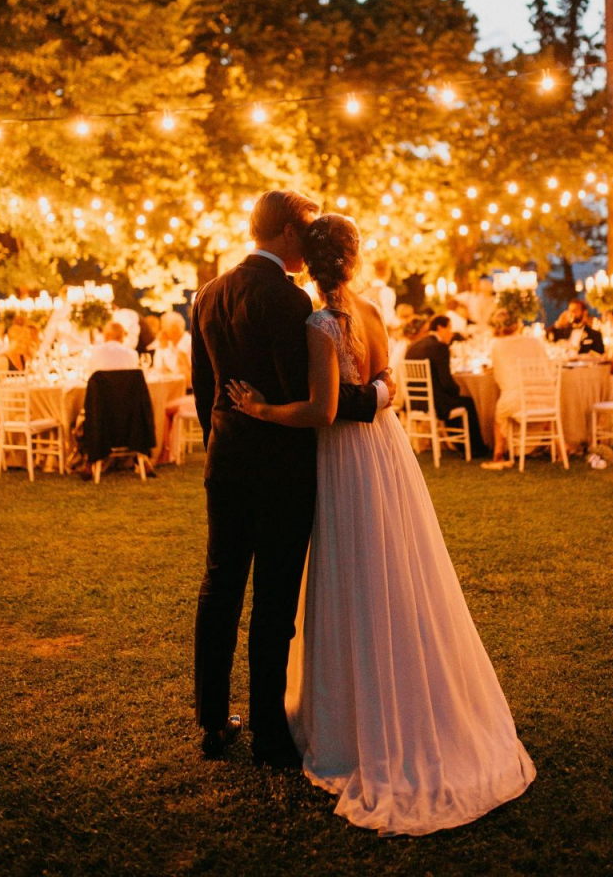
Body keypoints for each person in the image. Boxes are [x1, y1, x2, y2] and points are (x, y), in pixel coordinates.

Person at [229, 214, 535, 835]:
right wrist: (380, 396)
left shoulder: (319, 323)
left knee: (355, 574)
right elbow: (386, 380)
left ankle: (358, 721)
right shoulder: (371, 311)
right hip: (387, 453)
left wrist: (259, 408)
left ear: (309, 261)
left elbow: (323, 409)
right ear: (354, 258)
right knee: (396, 566)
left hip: (343, 458)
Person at [191, 190, 394, 769]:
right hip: (280, 470)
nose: (308, 243)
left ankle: (210, 721)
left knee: (219, 587)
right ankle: (270, 734)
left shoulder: (209, 293)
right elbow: (309, 399)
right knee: (275, 602)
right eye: (303, 230)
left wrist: (219, 451)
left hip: (225, 463)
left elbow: (205, 390)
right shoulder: (290, 300)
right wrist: (382, 392)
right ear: (284, 232)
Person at [405, 314, 486, 455]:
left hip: (415, 401)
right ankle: (476, 449)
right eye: (449, 328)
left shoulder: (413, 346)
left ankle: (457, 444)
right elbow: (446, 383)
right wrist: (459, 390)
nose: (451, 332)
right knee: (468, 401)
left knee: (453, 399)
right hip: (437, 403)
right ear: (440, 328)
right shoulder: (439, 347)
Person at [482, 309, 549, 471]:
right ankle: (562, 447)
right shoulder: (534, 341)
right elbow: (548, 365)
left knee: (499, 414)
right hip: (545, 395)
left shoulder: (497, 345)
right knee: (546, 412)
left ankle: (498, 454)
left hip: (517, 398)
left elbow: (500, 374)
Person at [153, 311, 192, 381]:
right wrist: (161, 347)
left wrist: (164, 348)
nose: (162, 331)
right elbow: (158, 368)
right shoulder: (170, 343)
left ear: (175, 328)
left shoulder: (188, 343)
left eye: (164, 327)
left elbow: (178, 370)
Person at [362, 258, 399, 330]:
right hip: (379, 334)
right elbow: (388, 319)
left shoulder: (364, 292)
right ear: (388, 273)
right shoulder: (387, 292)